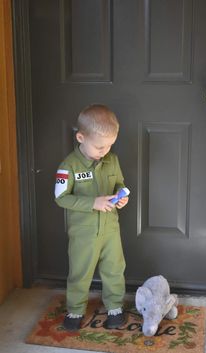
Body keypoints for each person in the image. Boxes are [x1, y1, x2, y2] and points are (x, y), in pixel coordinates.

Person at [54, 104, 129, 331]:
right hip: (83, 232)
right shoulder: (69, 166)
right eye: (99, 146)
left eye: (109, 146)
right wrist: (92, 203)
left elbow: (119, 182)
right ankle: (75, 310)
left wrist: (121, 194)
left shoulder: (112, 160)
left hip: (110, 228)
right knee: (80, 271)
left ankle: (115, 307)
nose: (104, 151)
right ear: (80, 137)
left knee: (114, 267)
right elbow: (61, 198)